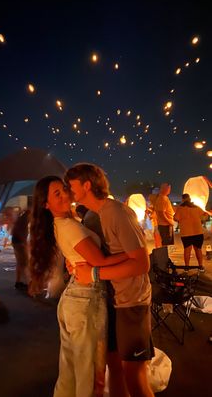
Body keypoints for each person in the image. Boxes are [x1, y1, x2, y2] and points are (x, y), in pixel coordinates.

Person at [29, 176, 128, 397]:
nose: (65, 194)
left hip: (75, 299)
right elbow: (100, 261)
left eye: (64, 189)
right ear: (46, 204)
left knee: (71, 372)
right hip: (86, 301)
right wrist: (133, 257)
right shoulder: (68, 227)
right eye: (57, 194)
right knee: (91, 376)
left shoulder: (66, 223)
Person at [65, 163, 154, 397]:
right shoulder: (95, 215)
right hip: (111, 301)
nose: (68, 191)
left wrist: (94, 274)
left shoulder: (117, 212)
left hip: (131, 302)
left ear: (86, 185)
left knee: (134, 375)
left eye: (71, 185)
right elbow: (105, 256)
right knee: (114, 367)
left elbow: (141, 263)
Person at [174, 193, 208, 271]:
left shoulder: (180, 208)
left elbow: (175, 218)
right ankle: (200, 266)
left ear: (182, 199)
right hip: (198, 232)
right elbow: (204, 215)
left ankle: (187, 267)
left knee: (187, 250)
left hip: (186, 233)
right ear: (190, 199)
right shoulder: (196, 207)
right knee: (198, 249)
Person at [11, 209, 31, 289]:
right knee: (24, 263)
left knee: (20, 263)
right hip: (19, 243)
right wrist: (24, 243)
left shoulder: (21, 220)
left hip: (17, 242)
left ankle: (19, 282)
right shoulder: (24, 221)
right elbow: (21, 233)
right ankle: (25, 282)